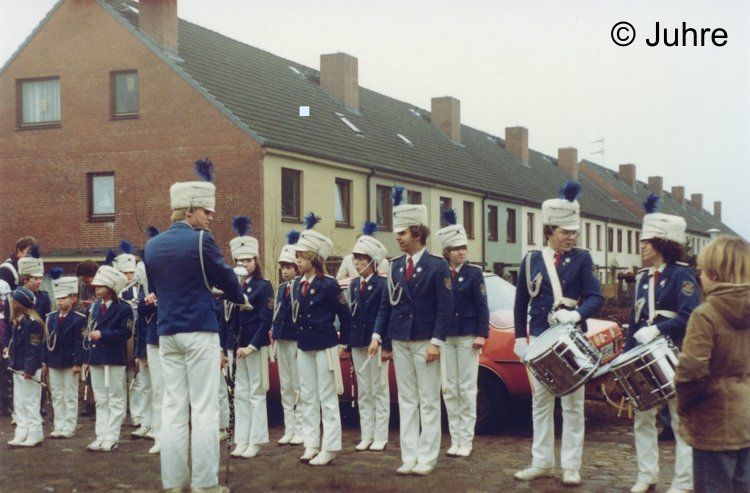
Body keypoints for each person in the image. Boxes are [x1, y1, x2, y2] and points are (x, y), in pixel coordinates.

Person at [144, 158, 245, 492]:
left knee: (173, 409)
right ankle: (205, 485)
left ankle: (173, 484)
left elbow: (157, 289)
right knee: (202, 410)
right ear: (188, 210)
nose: (210, 218)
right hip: (199, 330)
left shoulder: (153, 245)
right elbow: (227, 278)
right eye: (206, 211)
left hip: (167, 332)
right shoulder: (202, 241)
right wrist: (235, 294)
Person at [513, 181, 604, 486]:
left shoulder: (582, 259)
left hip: (571, 339)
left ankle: (571, 466)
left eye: (574, 232)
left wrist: (577, 313)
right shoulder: (531, 260)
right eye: (566, 232)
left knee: (573, 405)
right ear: (550, 229)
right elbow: (521, 303)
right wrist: (518, 339)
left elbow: (596, 297)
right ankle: (541, 462)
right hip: (540, 338)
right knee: (540, 402)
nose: (572, 237)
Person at [370, 186, 454, 476]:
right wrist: (377, 336)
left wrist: (436, 342)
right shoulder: (394, 267)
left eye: (402, 233)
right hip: (400, 338)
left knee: (429, 400)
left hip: (424, 341)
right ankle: (409, 456)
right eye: (397, 233)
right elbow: (386, 305)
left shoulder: (437, 266)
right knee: (406, 400)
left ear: (417, 233)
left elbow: (445, 308)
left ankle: (427, 457)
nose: (398, 238)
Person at [624, 194, 699, 493]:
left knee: (680, 419)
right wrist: (626, 357)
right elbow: (635, 319)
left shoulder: (682, 275)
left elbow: (690, 314)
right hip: (643, 356)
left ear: (663, 244)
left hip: (672, 354)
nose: (642, 246)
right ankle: (647, 475)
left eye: (648, 241)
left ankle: (683, 481)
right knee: (642, 418)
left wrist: (659, 330)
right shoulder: (643, 278)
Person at [675, 235, 750, 493]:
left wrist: (685, 406)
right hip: (746, 420)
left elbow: (691, 371)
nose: (700, 278)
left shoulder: (706, 314)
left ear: (715, 275)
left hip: (713, 423)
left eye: (702, 271)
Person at [294, 212, 352, 466]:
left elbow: (345, 315)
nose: (297, 260)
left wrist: (343, 344)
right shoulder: (297, 285)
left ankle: (330, 446)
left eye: (301, 256)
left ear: (314, 258)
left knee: (327, 398)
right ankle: (311, 443)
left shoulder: (329, 284)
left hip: (325, 345)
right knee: (307, 395)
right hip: (304, 344)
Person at [436, 209, 489, 458]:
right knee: (450, 388)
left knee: (467, 389)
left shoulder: (474, 274)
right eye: (456, 248)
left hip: (468, 336)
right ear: (447, 251)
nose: (461, 252)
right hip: (446, 337)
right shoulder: (440, 273)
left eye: (464, 248)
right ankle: (454, 438)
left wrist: (481, 334)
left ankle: (466, 439)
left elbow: (482, 306)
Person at [227, 216, 273, 459]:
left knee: (255, 393)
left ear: (256, 260)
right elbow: (229, 319)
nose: (244, 264)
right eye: (240, 260)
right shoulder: (233, 286)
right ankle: (241, 440)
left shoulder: (263, 286)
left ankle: (255, 441)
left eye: (248, 259)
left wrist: (252, 346)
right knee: (240, 394)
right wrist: (229, 348)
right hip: (237, 346)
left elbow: (266, 319)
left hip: (254, 346)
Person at [345, 222, 390, 452]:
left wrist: (385, 343)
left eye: (362, 258)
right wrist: (347, 341)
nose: (358, 262)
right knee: (363, 391)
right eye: (355, 258)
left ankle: (380, 436)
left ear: (372, 261)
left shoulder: (383, 284)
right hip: (357, 341)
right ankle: (367, 434)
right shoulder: (353, 285)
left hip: (376, 342)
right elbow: (350, 315)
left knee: (379, 389)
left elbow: (386, 315)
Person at [84, 253, 132, 453]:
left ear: (111, 289)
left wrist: (102, 334)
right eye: (96, 286)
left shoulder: (124, 309)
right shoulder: (95, 307)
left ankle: (112, 436)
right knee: (101, 398)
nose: (96, 289)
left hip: (113, 356)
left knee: (116, 396)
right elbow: (87, 331)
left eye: (100, 286)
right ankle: (101, 435)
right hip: (96, 357)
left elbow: (126, 332)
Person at [115, 240, 152, 438]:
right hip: (123, 338)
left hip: (139, 335)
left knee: (137, 379)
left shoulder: (143, 291)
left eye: (131, 272)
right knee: (120, 378)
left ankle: (138, 415)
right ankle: (120, 414)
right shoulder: (118, 294)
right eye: (125, 272)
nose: (129, 276)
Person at [270, 229, 304, 446]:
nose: (285, 271)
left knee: (298, 385)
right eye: (282, 267)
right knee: (285, 386)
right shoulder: (281, 288)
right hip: (282, 339)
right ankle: (289, 428)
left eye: (289, 267)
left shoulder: (301, 286)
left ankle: (300, 429)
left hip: (297, 340)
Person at [46, 268, 85, 438]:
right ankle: (58, 424)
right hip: (54, 361)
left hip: (70, 362)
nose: (60, 302)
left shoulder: (78, 318)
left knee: (69, 394)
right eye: (58, 298)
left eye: (63, 298)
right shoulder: (51, 318)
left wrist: (78, 363)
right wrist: (45, 361)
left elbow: (80, 343)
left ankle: (69, 426)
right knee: (57, 394)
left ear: (73, 299)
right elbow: (47, 342)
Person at [5, 287, 45, 447]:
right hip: (18, 367)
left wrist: (29, 370)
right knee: (19, 402)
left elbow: (34, 349)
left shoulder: (33, 323)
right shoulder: (20, 321)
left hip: (29, 369)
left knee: (31, 402)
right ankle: (22, 432)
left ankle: (35, 433)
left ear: (18, 304)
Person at [140, 226, 162, 454]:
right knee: (158, 389)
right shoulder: (148, 285)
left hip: (170, 337)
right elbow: (142, 313)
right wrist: (148, 301)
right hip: (155, 337)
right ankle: (160, 432)